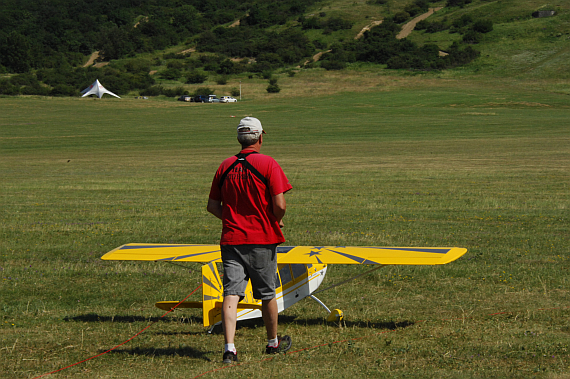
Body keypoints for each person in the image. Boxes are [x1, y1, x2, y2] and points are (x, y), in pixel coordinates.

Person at [207, 117, 293, 364]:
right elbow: (280, 204)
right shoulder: (269, 164)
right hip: (262, 239)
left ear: (238, 139)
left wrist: (233, 219)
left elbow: (213, 205)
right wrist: (274, 220)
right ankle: (272, 343)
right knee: (267, 294)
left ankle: (229, 349)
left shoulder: (225, 165)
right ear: (260, 137)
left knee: (231, 293)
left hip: (231, 239)